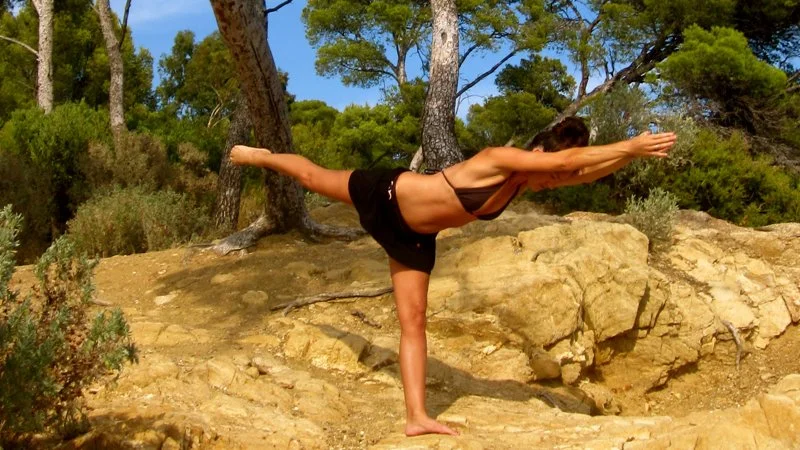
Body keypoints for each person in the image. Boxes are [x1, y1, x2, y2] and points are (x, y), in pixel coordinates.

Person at [229, 118, 676, 437]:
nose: (554, 179)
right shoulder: (499, 159)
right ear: (537, 154)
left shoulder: (522, 181)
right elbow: (575, 161)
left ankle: (417, 416)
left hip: (413, 237)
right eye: (551, 169)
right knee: (310, 176)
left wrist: (627, 156)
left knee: (414, 321)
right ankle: (264, 158)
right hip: (384, 194)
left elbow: (581, 171)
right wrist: (629, 145)